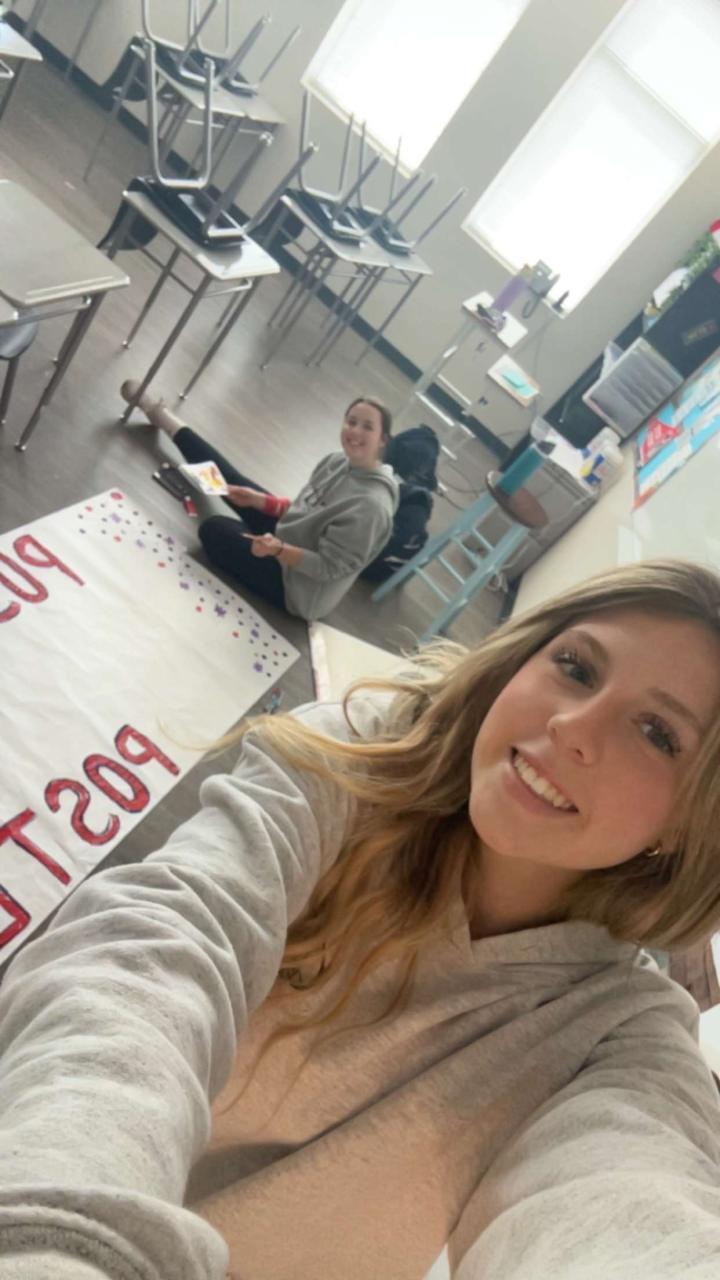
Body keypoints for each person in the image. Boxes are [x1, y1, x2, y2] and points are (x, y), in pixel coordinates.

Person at [2, 560, 720, 1280]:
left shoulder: (622, 1039)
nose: (572, 727)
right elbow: (163, 942)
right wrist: (61, 1237)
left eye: (657, 733)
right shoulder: (353, 763)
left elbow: (631, 1206)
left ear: (693, 822)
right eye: (576, 667)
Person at [120, 381, 398, 621]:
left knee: (214, 529)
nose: (355, 432)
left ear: (383, 440)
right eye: (351, 422)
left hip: (297, 587)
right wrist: (261, 502)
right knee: (231, 482)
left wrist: (277, 550)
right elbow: (304, 512)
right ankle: (159, 414)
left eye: (367, 427)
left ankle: (250, 540)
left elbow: (327, 568)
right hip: (287, 539)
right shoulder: (337, 460)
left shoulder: (372, 507)